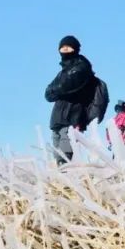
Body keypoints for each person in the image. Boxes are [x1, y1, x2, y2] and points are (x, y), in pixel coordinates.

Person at [44, 35, 104, 163]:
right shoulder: (63, 72)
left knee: (65, 157)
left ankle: (69, 180)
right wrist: (57, 89)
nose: (65, 50)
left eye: (68, 47)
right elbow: (48, 93)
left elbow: (64, 86)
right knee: (57, 156)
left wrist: (57, 90)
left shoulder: (82, 67)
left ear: (75, 49)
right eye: (62, 48)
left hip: (73, 117)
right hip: (57, 119)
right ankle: (62, 180)